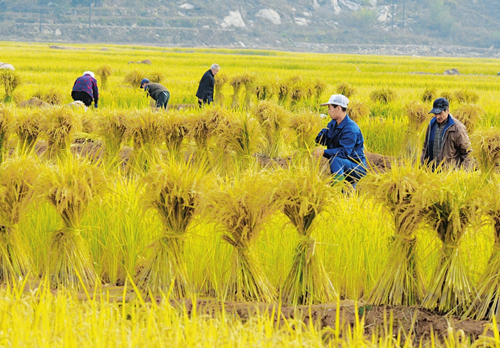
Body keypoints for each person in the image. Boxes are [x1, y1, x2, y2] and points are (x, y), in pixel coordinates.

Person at [313, 94, 367, 187]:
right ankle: (344, 191)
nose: (328, 111)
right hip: (344, 165)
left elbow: (344, 152)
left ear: (338, 108)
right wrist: (317, 126)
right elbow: (321, 139)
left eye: (329, 108)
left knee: (336, 160)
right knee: (349, 194)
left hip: (356, 168)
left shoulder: (351, 129)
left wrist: (323, 152)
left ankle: (337, 191)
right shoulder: (333, 123)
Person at [421, 97, 472, 170]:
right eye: (435, 114)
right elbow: (425, 147)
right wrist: (422, 165)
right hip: (431, 173)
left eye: (440, 113)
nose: (438, 117)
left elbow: (468, 153)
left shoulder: (457, 128)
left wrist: (463, 172)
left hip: (449, 174)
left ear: (447, 110)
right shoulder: (431, 124)